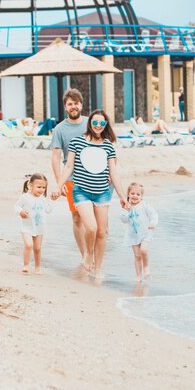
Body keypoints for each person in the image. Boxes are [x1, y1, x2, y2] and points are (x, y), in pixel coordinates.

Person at [51, 109, 128, 279]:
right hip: (81, 192)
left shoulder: (108, 145)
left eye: (102, 123)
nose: (98, 126)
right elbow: (69, 166)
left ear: (106, 124)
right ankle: (88, 254)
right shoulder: (77, 142)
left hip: (102, 193)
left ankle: (98, 268)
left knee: (102, 232)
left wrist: (123, 196)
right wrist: (58, 186)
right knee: (91, 227)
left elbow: (114, 173)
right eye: (95, 122)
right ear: (90, 123)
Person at [50, 88, 89, 266]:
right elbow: (56, 158)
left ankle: (96, 252)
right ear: (66, 107)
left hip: (94, 178)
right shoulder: (59, 129)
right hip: (72, 179)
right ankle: (85, 256)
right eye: (70, 104)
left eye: (76, 103)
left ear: (81, 104)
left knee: (95, 219)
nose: (73, 107)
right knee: (77, 218)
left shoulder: (91, 124)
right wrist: (60, 184)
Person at [14, 173, 52, 274]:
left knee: (37, 248)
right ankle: (26, 265)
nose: (41, 190)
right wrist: (20, 212)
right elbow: (16, 206)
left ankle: (37, 267)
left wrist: (50, 201)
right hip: (27, 227)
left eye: (44, 187)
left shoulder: (43, 199)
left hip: (39, 228)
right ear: (30, 185)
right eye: (39, 187)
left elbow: (48, 210)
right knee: (28, 245)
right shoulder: (25, 197)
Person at [120, 182, 158, 282]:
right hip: (133, 235)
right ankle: (138, 276)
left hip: (146, 233)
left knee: (143, 250)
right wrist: (127, 211)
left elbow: (153, 214)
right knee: (137, 256)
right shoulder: (127, 206)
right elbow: (123, 220)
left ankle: (146, 267)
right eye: (132, 193)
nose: (135, 196)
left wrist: (153, 223)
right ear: (128, 194)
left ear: (141, 197)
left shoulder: (144, 205)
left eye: (138, 194)